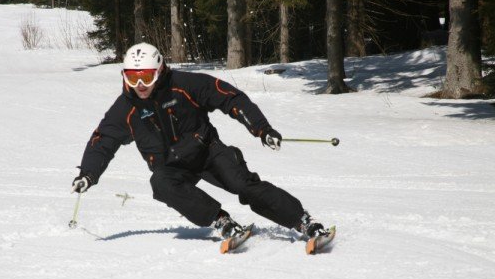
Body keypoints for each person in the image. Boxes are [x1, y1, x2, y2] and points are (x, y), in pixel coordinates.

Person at [72, 42, 326, 241]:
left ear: (159, 71)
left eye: (146, 77)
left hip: (208, 152)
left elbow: (231, 98)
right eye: (133, 76)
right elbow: (103, 141)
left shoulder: (185, 85)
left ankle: (302, 221)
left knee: (243, 185)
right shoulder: (126, 108)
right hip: (171, 166)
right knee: (160, 182)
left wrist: (262, 129)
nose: (140, 84)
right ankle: (221, 221)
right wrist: (88, 174)